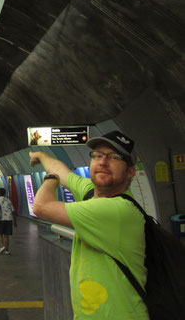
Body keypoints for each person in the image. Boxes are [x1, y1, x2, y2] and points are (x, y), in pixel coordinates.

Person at [30, 130, 148, 319]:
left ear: (130, 171)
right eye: (97, 155)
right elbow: (62, 171)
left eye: (114, 157)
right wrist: (41, 155)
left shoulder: (117, 210)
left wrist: (50, 179)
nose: (103, 161)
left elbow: (42, 207)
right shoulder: (90, 192)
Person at [0, 187, 16, 255]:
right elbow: (13, 211)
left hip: (1, 219)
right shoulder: (8, 200)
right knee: (6, 235)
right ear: (5, 193)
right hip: (9, 219)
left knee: (0, 233)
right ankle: (7, 250)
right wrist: (15, 221)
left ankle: (2, 246)